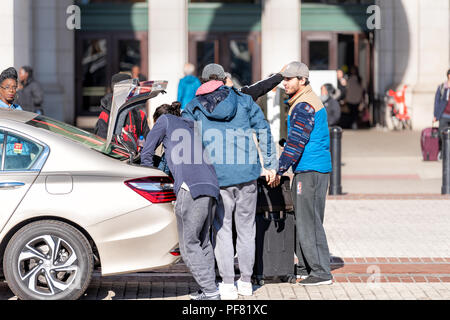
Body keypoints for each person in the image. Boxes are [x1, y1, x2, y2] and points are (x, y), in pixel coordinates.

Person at [182, 63, 278, 300]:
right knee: (247, 229)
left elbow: (184, 141)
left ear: (202, 81)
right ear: (224, 79)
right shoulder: (244, 100)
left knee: (222, 230)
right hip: (247, 174)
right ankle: (246, 282)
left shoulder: (193, 106)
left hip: (217, 176)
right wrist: (270, 164)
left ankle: (227, 284)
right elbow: (263, 130)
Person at [140, 102, 221, 300]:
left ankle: (211, 292)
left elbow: (146, 153)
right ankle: (207, 289)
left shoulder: (164, 121)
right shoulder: (190, 125)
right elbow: (174, 160)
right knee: (203, 242)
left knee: (188, 245)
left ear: (157, 119)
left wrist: (148, 177)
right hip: (211, 185)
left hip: (189, 188)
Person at [271, 61, 333, 286]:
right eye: (284, 79)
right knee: (304, 219)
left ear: (302, 80)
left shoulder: (304, 104)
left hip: (310, 170)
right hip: (310, 168)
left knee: (309, 221)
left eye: (289, 79)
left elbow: (297, 142)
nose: (284, 83)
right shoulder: (304, 101)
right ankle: (307, 266)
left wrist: (279, 169)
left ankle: (321, 272)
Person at [94, 72, 149, 145]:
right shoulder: (106, 115)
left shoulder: (139, 115)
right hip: (112, 155)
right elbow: (101, 143)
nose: (131, 91)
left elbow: (149, 141)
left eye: (131, 88)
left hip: (133, 155)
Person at [434, 69, 450, 154]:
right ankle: (443, 152)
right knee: (442, 135)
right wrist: (436, 115)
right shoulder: (443, 87)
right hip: (444, 115)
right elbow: (437, 101)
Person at [346, 66, 364, 130]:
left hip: (356, 98)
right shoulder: (350, 79)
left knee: (355, 113)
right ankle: (353, 124)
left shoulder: (358, 79)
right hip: (351, 98)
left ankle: (354, 124)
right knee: (352, 113)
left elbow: (361, 89)